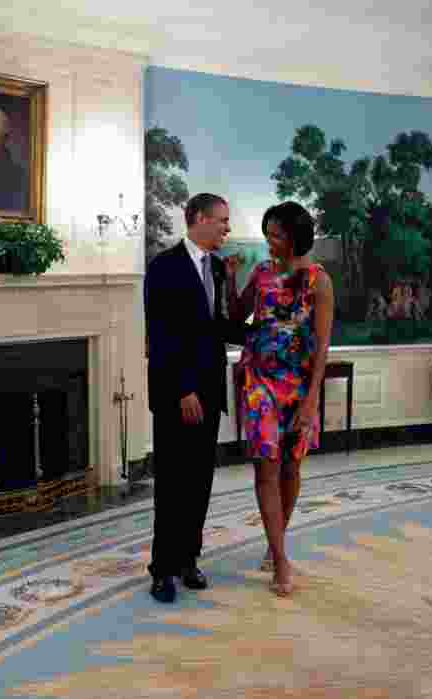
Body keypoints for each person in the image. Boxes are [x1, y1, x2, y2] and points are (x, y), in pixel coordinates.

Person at [226, 201, 335, 597]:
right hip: (260, 380)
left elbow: (322, 346)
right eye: (267, 233)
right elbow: (238, 317)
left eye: (276, 234)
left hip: (299, 385)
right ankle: (281, 558)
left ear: (295, 236)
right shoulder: (262, 273)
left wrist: (311, 401)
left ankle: (276, 544)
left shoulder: (319, 281)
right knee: (265, 470)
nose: (269, 242)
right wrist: (230, 278)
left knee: (290, 467)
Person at [143, 192, 240, 604]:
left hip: (210, 390)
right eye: (221, 220)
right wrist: (183, 388)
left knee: (199, 481)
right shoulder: (163, 267)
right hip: (176, 393)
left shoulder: (217, 268)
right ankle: (162, 569)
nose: (227, 228)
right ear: (198, 218)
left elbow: (219, 327)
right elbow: (161, 335)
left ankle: (188, 559)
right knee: (172, 482)